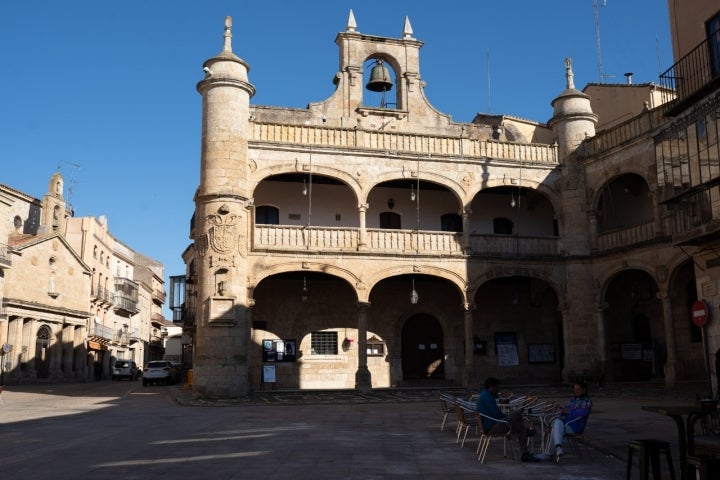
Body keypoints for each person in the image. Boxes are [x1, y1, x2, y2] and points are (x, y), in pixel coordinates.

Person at [475, 376, 540, 463]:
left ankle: (525, 453)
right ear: (491, 387)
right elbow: (497, 414)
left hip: (490, 426)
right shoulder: (487, 397)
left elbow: (496, 411)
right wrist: (508, 417)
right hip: (493, 427)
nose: (498, 390)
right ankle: (526, 430)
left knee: (520, 428)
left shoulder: (485, 395)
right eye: (497, 387)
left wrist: (508, 417)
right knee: (517, 413)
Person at [549, 381, 593, 460]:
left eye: (578, 389)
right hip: (567, 424)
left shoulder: (586, 401)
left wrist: (569, 412)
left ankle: (551, 453)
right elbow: (566, 412)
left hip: (576, 426)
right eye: (575, 389)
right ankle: (558, 448)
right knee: (556, 424)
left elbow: (583, 413)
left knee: (555, 426)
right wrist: (563, 412)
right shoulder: (572, 400)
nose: (575, 391)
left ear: (584, 390)